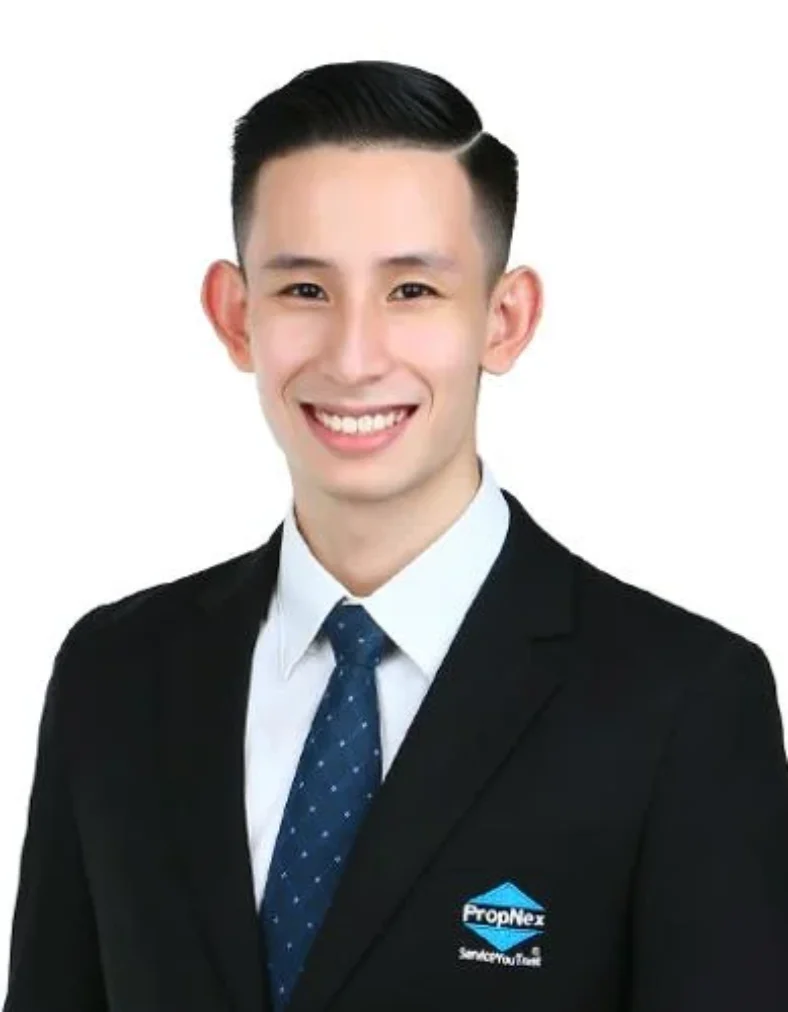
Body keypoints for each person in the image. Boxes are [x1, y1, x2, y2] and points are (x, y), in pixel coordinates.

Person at [3, 59, 788, 1012]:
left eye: (411, 291)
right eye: (304, 291)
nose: (353, 357)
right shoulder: (114, 677)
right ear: (235, 316)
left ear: (504, 319)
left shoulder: (682, 702)